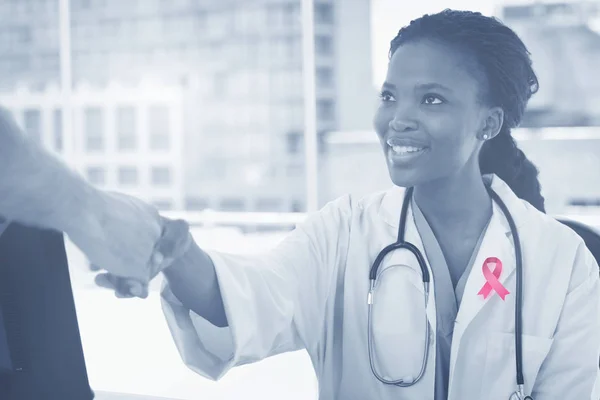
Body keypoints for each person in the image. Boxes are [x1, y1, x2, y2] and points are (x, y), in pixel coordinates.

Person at [1, 9, 599, 400]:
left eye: (433, 99)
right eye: (390, 95)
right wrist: (172, 249)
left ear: (489, 122)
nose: (399, 119)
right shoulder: (341, 233)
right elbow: (254, 296)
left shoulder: (564, 260)